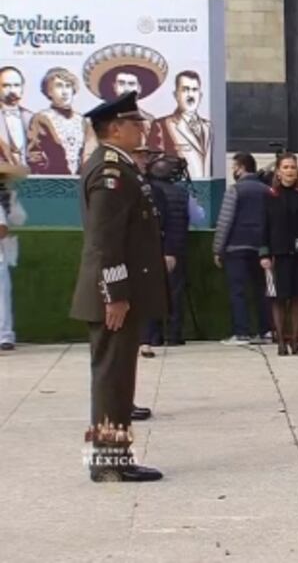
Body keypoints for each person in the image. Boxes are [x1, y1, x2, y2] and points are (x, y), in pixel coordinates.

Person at [69, 91, 166, 482]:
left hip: (119, 293)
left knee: (118, 378)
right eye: (134, 123)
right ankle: (110, 461)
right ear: (114, 128)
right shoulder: (110, 171)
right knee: (112, 379)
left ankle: (113, 456)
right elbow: (105, 242)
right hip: (114, 296)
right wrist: (118, 294)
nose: (141, 128)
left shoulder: (120, 167)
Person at [260, 153, 298, 356]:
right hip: (278, 253)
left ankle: (295, 341)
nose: (290, 171)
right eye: (285, 167)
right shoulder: (269, 195)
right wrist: (264, 254)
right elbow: (263, 227)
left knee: (297, 298)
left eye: (293, 167)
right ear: (278, 171)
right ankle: (280, 340)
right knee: (278, 297)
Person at [214, 152, 274, 345]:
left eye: (234, 167)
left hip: (236, 246)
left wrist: (217, 249)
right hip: (261, 247)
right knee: (261, 290)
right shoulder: (267, 190)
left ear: (240, 167)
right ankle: (266, 331)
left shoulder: (235, 190)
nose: (233, 170)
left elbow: (225, 221)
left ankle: (241, 332)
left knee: (238, 291)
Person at [139, 155, 191, 356]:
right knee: (175, 293)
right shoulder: (182, 192)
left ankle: (153, 335)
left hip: (152, 249)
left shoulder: (148, 191)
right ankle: (174, 334)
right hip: (177, 248)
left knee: (151, 292)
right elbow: (196, 216)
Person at [26, 67, 96, 175]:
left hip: (80, 181)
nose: (65, 92)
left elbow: (91, 152)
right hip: (51, 182)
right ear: (49, 92)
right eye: (59, 86)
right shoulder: (41, 118)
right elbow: (34, 154)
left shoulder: (82, 121)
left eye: (68, 86)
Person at [148, 71, 212, 178]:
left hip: (206, 189)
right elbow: (154, 165)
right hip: (177, 188)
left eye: (194, 90)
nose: (190, 95)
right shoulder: (162, 125)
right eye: (185, 90)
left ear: (200, 95)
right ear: (176, 95)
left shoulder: (208, 127)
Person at [0, 165, 27, 351]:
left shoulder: (7, 199)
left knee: (2, 298)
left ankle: (4, 336)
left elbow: (5, 228)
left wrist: (10, 203)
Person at [0, 66, 33, 167]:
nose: (12, 90)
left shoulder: (31, 117)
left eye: (16, 85)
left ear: (22, 88)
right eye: (6, 86)